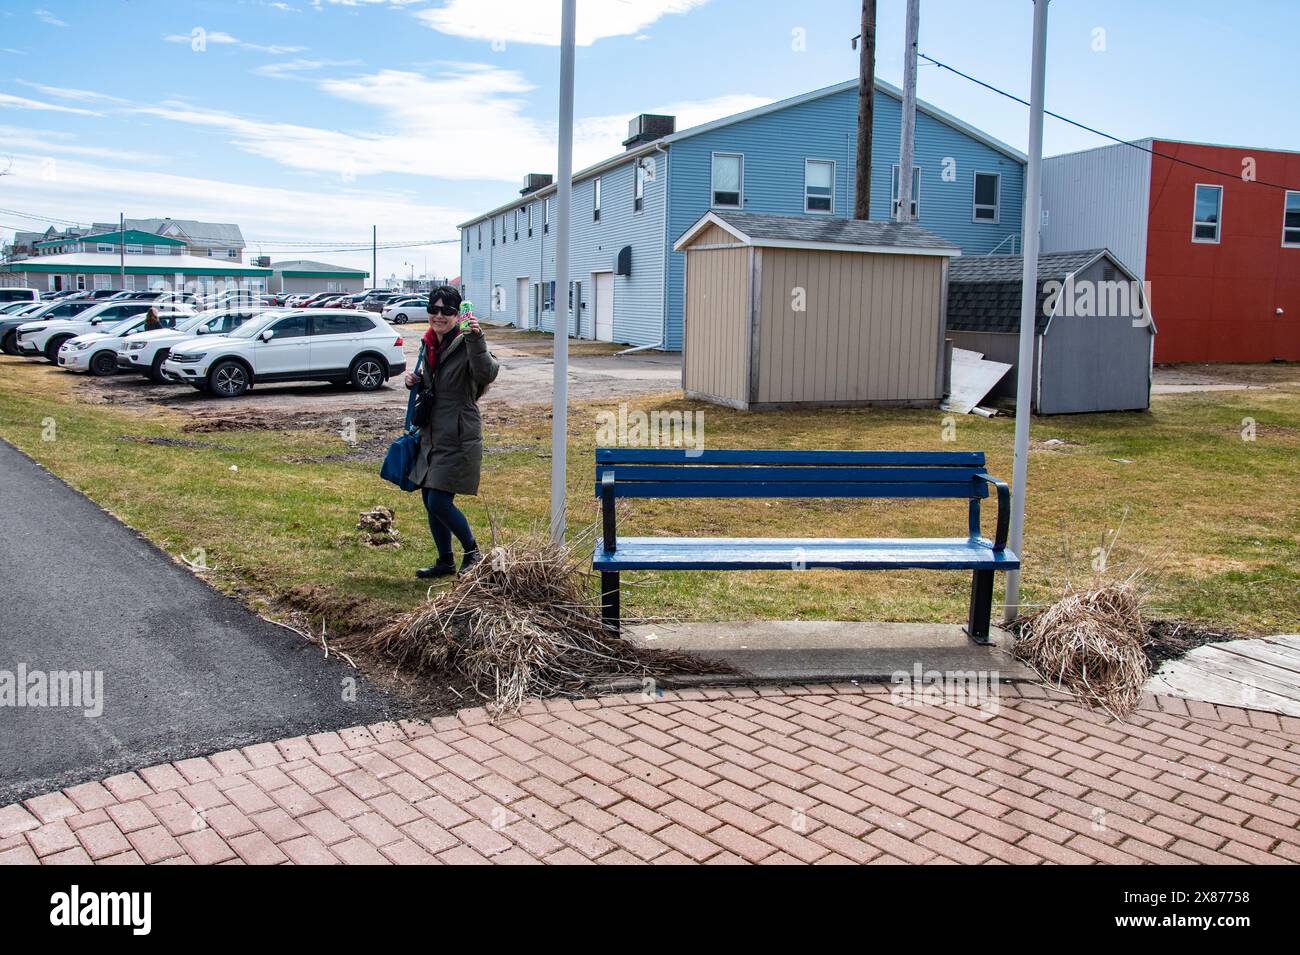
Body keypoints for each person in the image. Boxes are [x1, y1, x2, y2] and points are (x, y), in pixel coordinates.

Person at [405, 285, 499, 578]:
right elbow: (436, 384)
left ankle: (473, 551)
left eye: (446, 310)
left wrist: (477, 338)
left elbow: (487, 373)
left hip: (459, 433)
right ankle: (445, 561)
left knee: (439, 500)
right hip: (432, 433)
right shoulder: (429, 343)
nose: (439, 315)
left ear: (458, 314)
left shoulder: (467, 340)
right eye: (433, 309)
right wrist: (415, 381)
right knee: (429, 500)